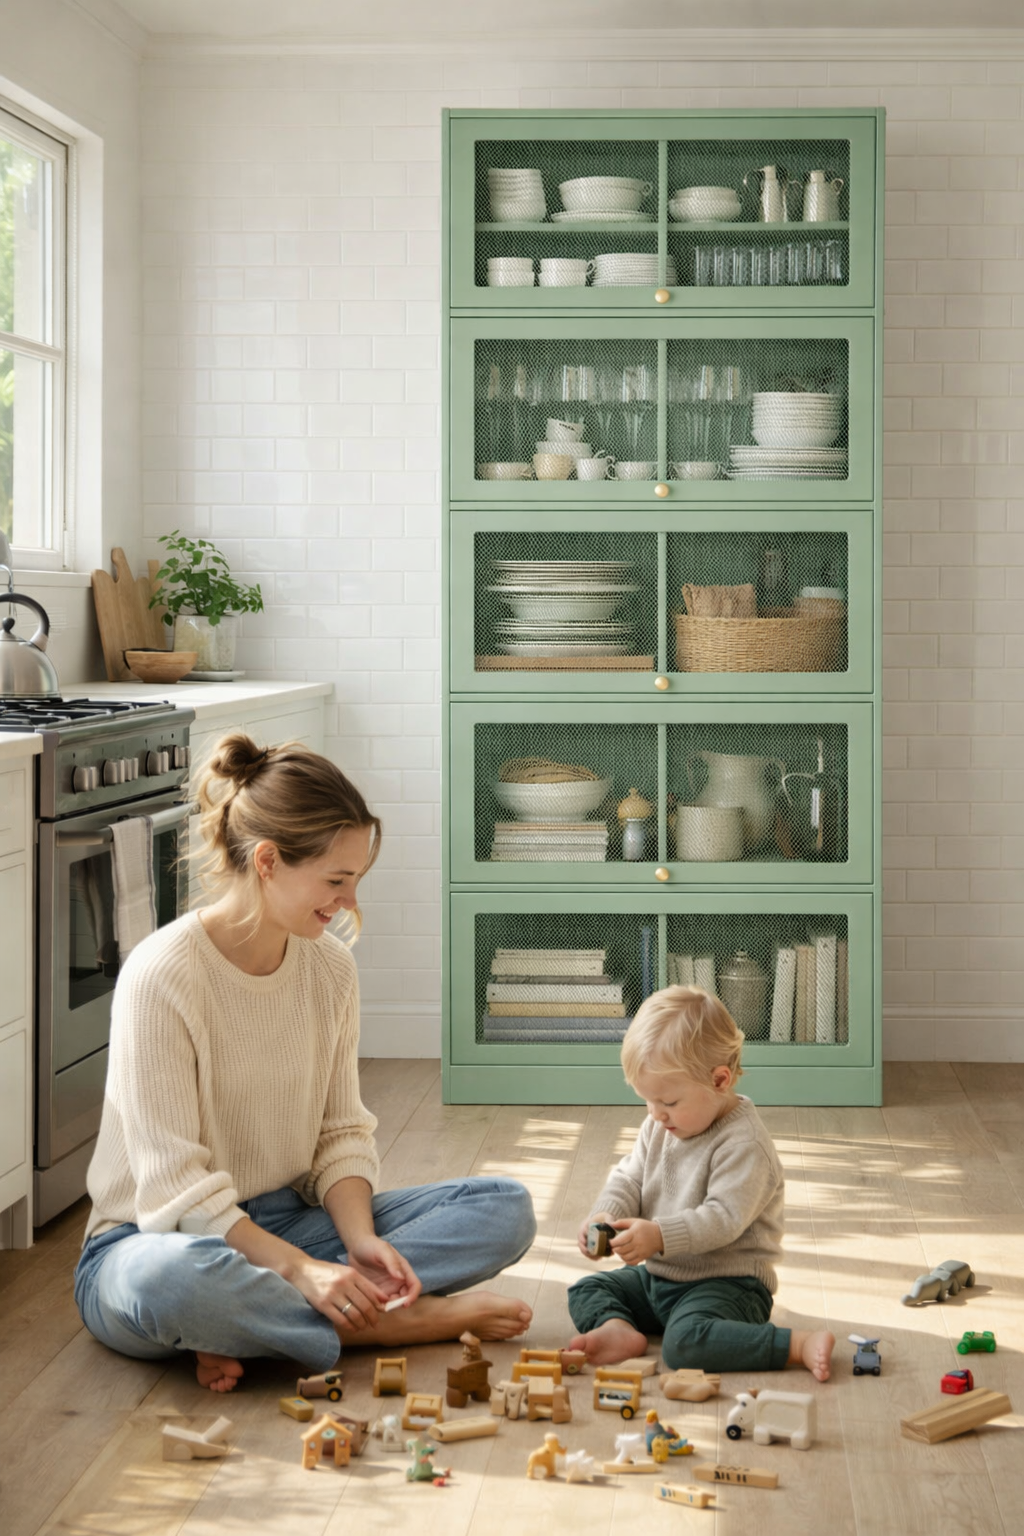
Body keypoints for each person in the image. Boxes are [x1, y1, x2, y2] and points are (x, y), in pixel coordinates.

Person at [74, 734, 536, 1392]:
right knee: (170, 1285)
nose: (349, 902)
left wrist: (357, 1242)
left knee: (503, 1208)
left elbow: (340, 1132)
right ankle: (379, 1324)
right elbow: (176, 1190)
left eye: (355, 882)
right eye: (336, 880)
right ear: (267, 860)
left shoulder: (329, 969)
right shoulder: (163, 975)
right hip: (153, 1239)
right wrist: (299, 1270)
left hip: (289, 1221)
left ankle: (256, 1326)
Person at [565, 986, 834, 1381]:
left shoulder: (744, 1144)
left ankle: (795, 1344)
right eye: (648, 1101)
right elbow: (630, 1176)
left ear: (720, 1080)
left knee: (683, 1344)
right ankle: (619, 1330)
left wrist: (658, 1235)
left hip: (728, 1285)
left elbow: (722, 1218)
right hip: (662, 1276)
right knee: (585, 1290)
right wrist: (606, 1215)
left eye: (669, 1102)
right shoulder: (659, 1125)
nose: (656, 1114)